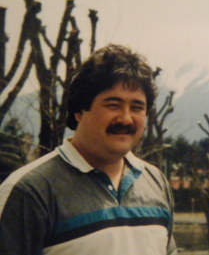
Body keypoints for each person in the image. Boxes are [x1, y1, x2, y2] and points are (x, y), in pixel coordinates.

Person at [0, 44, 177, 255]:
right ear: (79, 111)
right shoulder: (30, 192)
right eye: (113, 105)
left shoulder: (155, 182)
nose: (126, 118)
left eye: (137, 107)